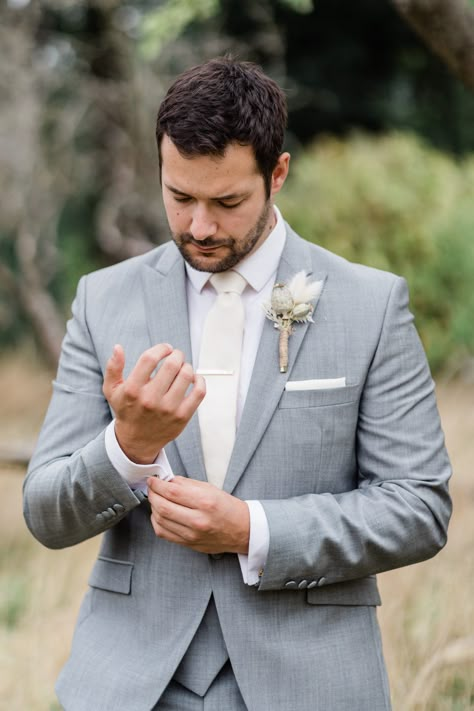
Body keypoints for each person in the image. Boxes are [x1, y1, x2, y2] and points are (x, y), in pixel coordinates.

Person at [24, 57, 452, 711]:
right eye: (179, 197)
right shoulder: (103, 299)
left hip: (309, 684)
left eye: (226, 202)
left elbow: (418, 507)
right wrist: (127, 447)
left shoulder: (370, 305)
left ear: (277, 174)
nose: (199, 227)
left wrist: (253, 530)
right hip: (132, 685)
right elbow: (46, 514)